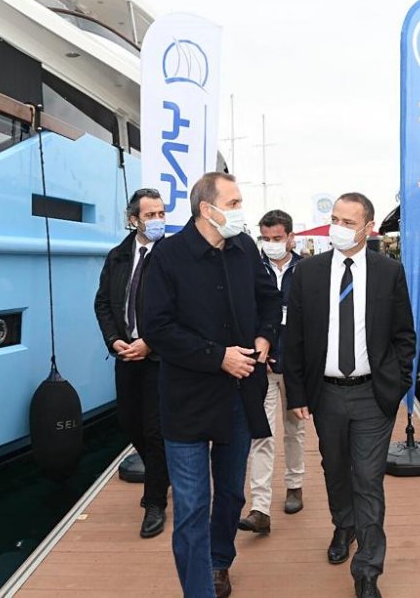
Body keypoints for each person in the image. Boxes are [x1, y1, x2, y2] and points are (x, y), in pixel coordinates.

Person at [141, 172, 281, 598]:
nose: (241, 210)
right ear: (207, 209)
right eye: (234, 202)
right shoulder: (167, 257)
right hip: (186, 402)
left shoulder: (244, 249)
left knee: (231, 495)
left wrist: (264, 336)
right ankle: (198, 590)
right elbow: (156, 327)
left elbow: (270, 298)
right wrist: (218, 356)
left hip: (238, 398)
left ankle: (220, 561)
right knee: (191, 506)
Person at [283, 192, 416, 598]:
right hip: (325, 394)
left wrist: (398, 383)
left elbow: (404, 335)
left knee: (368, 478)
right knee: (336, 468)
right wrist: (297, 393)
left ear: (368, 228)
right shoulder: (308, 273)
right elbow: (294, 338)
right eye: (335, 220)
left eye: (348, 222)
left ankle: (368, 570)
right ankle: (344, 525)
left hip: (372, 395)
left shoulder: (388, 272)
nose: (337, 228)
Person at [93, 188, 170, 539]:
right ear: (133, 219)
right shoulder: (118, 257)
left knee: (155, 430)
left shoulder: (172, 257)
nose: (157, 220)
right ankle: (162, 473)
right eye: (150, 215)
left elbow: (182, 308)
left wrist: (149, 342)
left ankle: (155, 501)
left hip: (159, 358)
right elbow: (103, 303)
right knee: (129, 421)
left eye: (161, 214)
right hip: (126, 356)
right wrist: (114, 340)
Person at [237, 210, 306, 535]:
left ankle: (295, 485)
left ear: (290, 237)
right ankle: (260, 507)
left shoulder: (306, 270)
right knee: (261, 434)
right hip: (261, 364)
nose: (271, 244)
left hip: (295, 366)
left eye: (277, 238)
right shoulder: (252, 269)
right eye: (265, 238)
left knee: (295, 430)